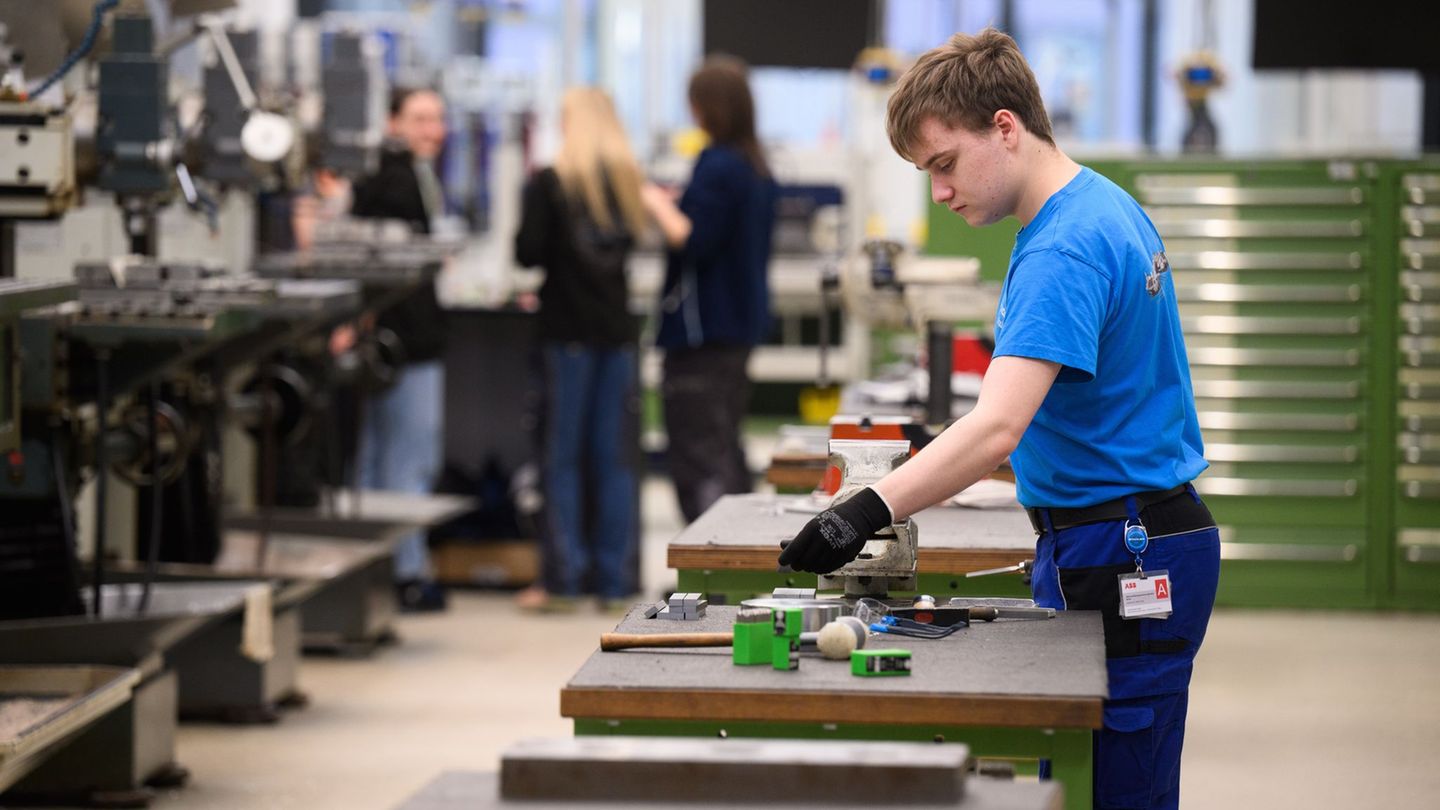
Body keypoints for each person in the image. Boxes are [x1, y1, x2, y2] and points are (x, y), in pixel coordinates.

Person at [777, 29, 1219, 810]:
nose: (940, 192)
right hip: (1122, 535)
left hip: (1123, 552)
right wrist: (930, 449)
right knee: (1088, 777)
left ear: (1005, 127)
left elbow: (997, 430)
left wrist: (861, 514)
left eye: (945, 164)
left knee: (1109, 791)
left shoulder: (1063, 248)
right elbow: (1088, 407)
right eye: (926, 174)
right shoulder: (1096, 205)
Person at [513, 88, 646, 611]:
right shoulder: (627, 185)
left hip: (564, 335)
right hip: (616, 335)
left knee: (561, 459)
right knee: (611, 460)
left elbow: (526, 252)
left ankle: (564, 581)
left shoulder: (550, 183)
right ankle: (613, 582)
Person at [642, 56, 778, 524]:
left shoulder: (718, 164)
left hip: (704, 334)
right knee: (723, 444)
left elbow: (694, 237)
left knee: (699, 453)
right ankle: (733, 559)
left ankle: (711, 568)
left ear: (703, 108)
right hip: (737, 329)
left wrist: (655, 203)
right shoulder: (756, 167)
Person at [348, 87, 451, 612]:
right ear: (391, 121)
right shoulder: (396, 176)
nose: (431, 129)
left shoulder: (402, 173)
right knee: (409, 462)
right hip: (405, 341)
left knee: (377, 460)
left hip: (390, 340)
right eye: (419, 118)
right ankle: (408, 574)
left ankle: (367, 575)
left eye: (437, 118)